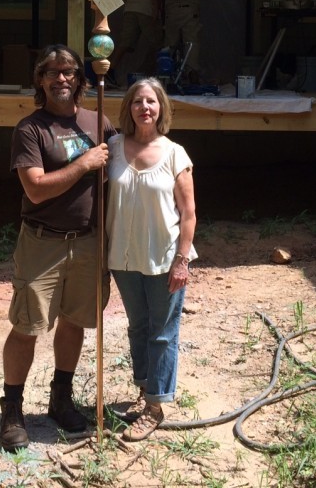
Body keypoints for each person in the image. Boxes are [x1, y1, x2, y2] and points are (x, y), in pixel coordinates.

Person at [0, 43, 117, 451]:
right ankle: (12, 408)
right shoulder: (31, 129)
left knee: (74, 321)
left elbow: (125, 168)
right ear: (40, 81)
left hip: (88, 242)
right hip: (42, 243)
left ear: (81, 80)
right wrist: (84, 164)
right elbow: (34, 189)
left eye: (69, 71)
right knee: (27, 327)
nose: (61, 78)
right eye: (52, 72)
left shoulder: (98, 121)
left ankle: (60, 397)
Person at [105, 77, 197, 441]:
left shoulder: (175, 153)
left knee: (162, 332)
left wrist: (182, 260)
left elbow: (188, 213)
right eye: (138, 101)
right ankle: (144, 388)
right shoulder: (112, 147)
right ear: (129, 107)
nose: (145, 107)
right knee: (138, 326)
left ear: (162, 109)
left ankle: (156, 406)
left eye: (152, 102)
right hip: (123, 258)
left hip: (163, 258)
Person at [161, 0, 205, 82]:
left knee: (170, 44)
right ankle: (192, 74)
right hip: (190, 10)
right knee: (192, 43)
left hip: (173, 9)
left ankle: (166, 76)